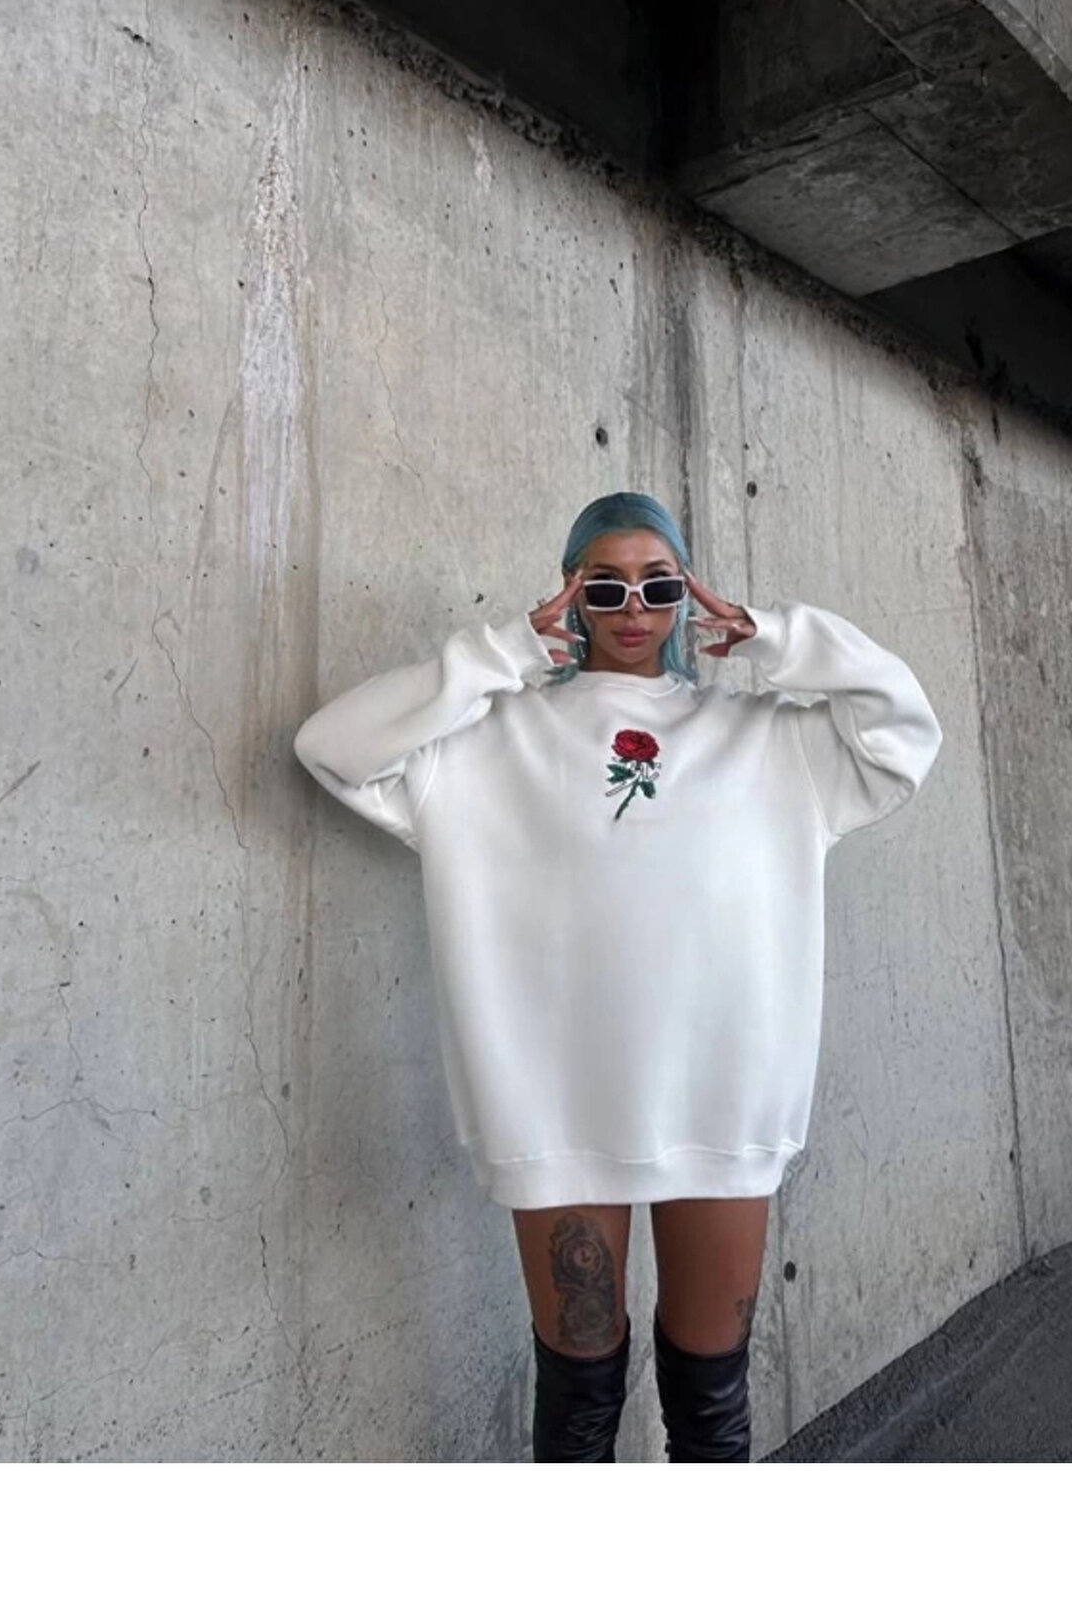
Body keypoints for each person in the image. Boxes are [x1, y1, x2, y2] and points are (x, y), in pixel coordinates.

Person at [292, 489, 943, 1461]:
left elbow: (905, 731)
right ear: (569, 592)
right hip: (558, 1112)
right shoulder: (487, 741)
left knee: (712, 1404)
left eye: (658, 583)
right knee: (579, 1404)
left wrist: (776, 640)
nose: (633, 606)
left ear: (688, 592)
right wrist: (502, 653)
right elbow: (332, 748)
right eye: (604, 585)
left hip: (721, 1107)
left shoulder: (773, 739)